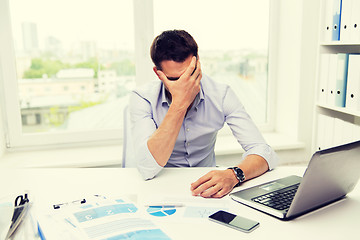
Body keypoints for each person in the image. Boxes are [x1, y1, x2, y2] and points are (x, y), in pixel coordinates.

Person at [129, 29, 278, 198]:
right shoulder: (142, 98)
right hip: (160, 186)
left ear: (198, 63)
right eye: (175, 79)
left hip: (207, 188)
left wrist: (233, 175)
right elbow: (147, 168)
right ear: (158, 74)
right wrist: (179, 104)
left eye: (190, 75)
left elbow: (264, 152)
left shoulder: (221, 94)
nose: (185, 85)